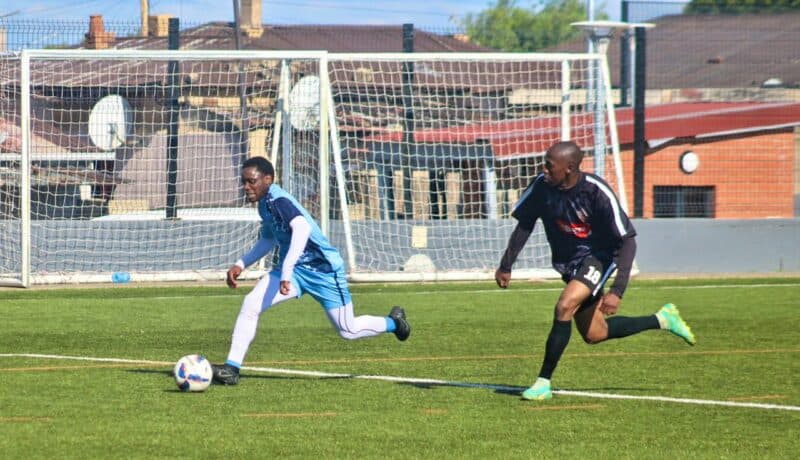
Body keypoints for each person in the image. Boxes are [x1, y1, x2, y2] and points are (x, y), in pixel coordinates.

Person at [495, 141, 695, 401]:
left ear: (569, 168)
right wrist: (506, 264)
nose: (543, 169)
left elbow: (627, 240)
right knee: (594, 334)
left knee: (564, 306)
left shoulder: (596, 192)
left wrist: (617, 291)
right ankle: (663, 319)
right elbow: (525, 224)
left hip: (598, 258)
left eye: (549, 165)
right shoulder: (542, 187)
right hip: (568, 263)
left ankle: (543, 382)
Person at [212, 157, 410, 385]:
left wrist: (286, 271)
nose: (246, 187)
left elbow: (302, 227)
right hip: (295, 272)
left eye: (251, 181)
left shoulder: (278, 200)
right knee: (251, 304)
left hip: (323, 271)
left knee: (348, 330)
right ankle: (231, 369)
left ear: (268, 179)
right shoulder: (264, 204)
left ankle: (395, 323)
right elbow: (268, 238)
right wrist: (241, 263)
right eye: (244, 182)